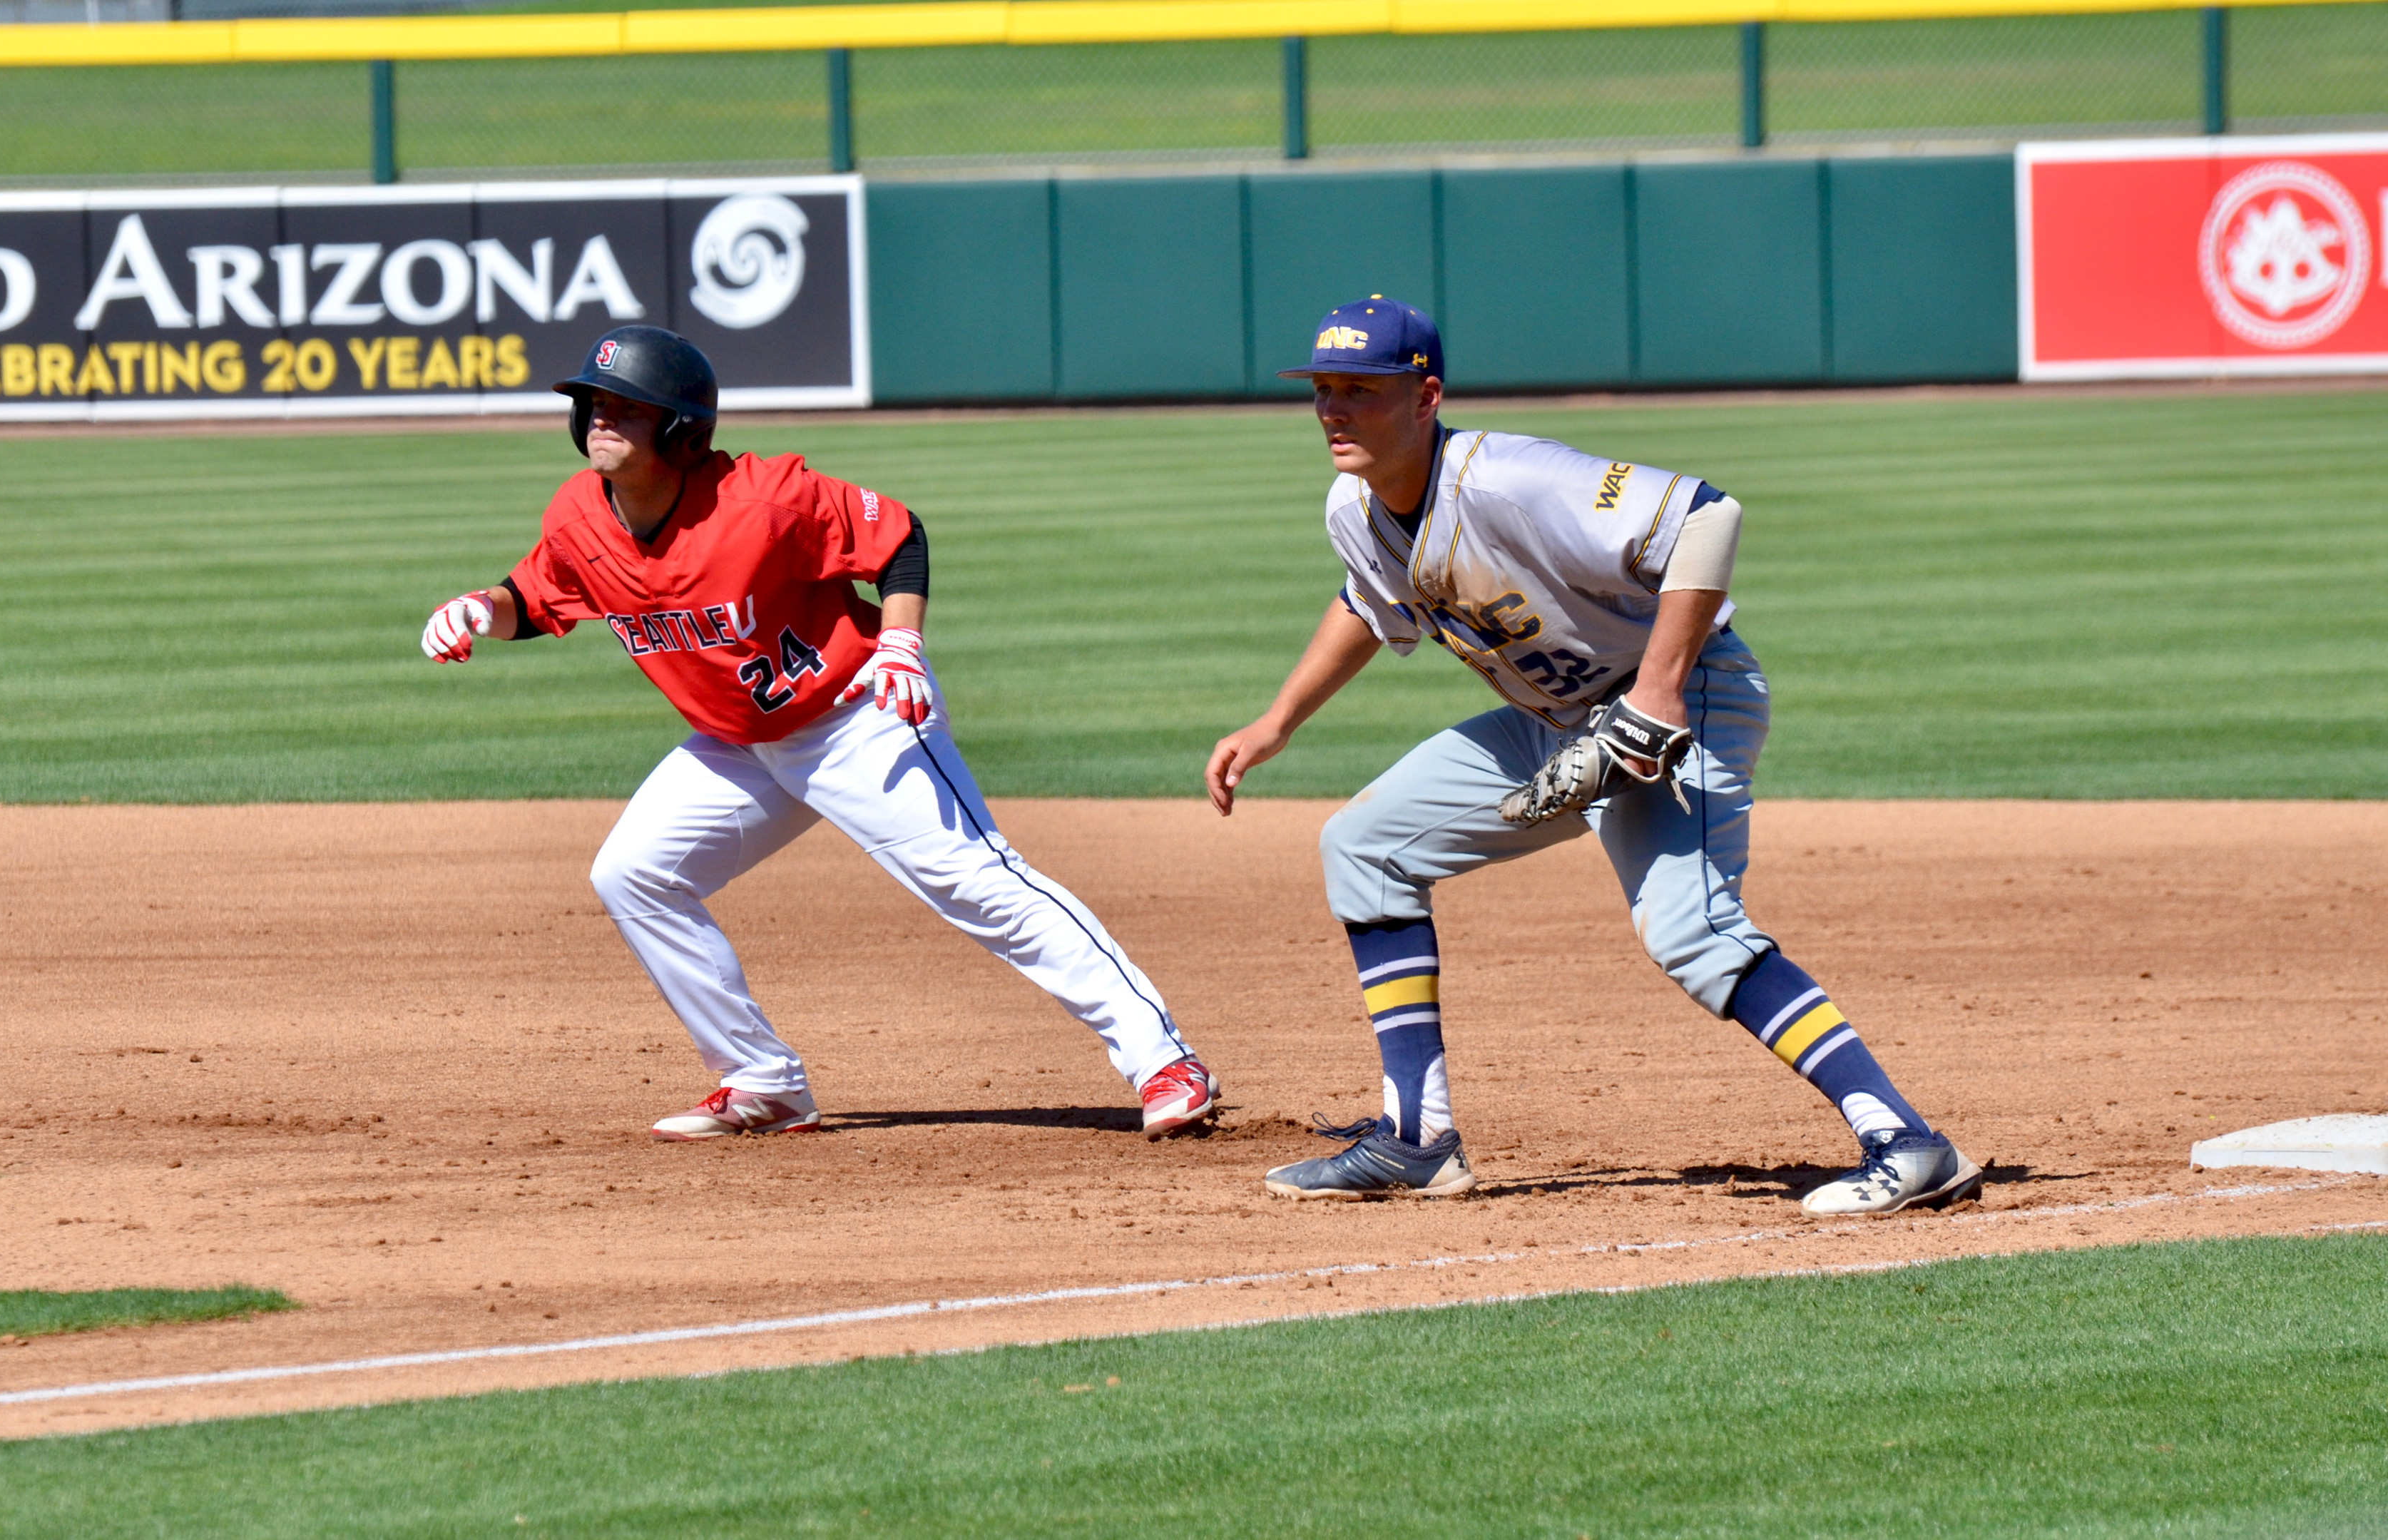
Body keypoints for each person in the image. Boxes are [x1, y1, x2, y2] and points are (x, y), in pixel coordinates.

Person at [1205, 297, 1976, 1215]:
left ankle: (1908, 1139)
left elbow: (1707, 515)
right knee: (1365, 848)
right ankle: (1417, 1139)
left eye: (1361, 390)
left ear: (1425, 396)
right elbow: (1372, 602)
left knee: (1691, 931)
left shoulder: (1512, 480)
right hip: (1556, 719)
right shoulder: (1355, 507)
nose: (1334, 410)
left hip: (1681, 700)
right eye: (1324, 391)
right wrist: (1278, 720)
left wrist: (1653, 694)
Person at [424, 325, 1218, 1142]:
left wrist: (903, 641)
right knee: (633, 872)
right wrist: (480, 610)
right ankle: (761, 1080)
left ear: (681, 429)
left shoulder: (766, 499)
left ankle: (1166, 1060)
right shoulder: (580, 514)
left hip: (856, 714)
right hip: (739, 743)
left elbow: (900, 534)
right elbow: (536, 592)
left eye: (627, 406)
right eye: (593, 401)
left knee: (975, 879)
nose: (600, 417)